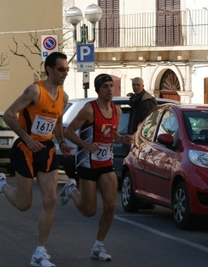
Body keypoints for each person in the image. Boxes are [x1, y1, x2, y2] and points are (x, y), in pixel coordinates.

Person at [0, 52, 73, 267]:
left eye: (67, 70)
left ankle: (40, 253)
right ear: (49, 69)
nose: (65, 73)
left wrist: (62, 142)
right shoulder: (34, 91)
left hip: (47, 149)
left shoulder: (64, 96)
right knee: (24, 204)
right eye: (61, 69)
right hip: (25, 148)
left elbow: (57, 122)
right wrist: (27, 138)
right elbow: (8, 114)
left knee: (50, 199)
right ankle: (0, 185)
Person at [59, 73, 132, 262]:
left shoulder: (117, 111)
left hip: (106, 163)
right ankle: (71, 190)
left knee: (110, 206)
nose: (109, 90)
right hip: (87, 163)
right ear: (98, 90)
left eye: (111, 86)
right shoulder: (89, 110)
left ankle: (98, 246)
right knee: (89, 210)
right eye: (105, 86)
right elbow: (68, 131)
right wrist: (85, 145)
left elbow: (111, 135)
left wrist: (121, 139)